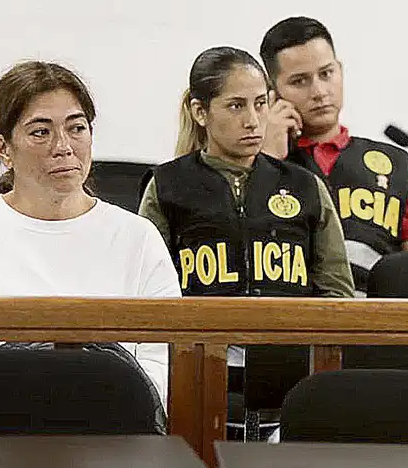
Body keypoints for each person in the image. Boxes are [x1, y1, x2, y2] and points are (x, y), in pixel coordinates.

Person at [0, 61, 181, 409]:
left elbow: (163, 369)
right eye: (41, 132)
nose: (64, 146)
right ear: (3, 148)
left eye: (77, 128)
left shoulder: (138, 238)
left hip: (111, 436)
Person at [138, 46, 354, 300]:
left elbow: (337, 294)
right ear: (200, 112)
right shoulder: (166, 185)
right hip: (200, 338)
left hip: (289, 338)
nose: (252, 120)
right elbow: (146, 290)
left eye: (260, 104)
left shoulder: (305, 186)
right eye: (236, 106)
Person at [258, 17, 408, 294]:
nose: (319, 92)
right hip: (288, 315)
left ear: (340, 71)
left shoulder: (398, 165)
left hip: (378, 319)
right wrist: (268, 159)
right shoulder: (255, 164)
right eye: (300, 81)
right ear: (273, 94)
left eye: (326, 74)